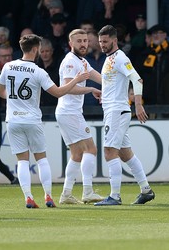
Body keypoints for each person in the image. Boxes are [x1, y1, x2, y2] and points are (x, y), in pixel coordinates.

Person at [0, 34, 89, 209]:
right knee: (41, 159)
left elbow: (1, 91)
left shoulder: (8, 66)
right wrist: (77, 80)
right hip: (32, 119)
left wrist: (14, 100)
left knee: (22, 161)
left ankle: (28, 198)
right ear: (34, 49)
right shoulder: (38, 71)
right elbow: (58, 92)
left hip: (13, 119)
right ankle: (48, 196)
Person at [94, 25, 154, 206]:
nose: (102, 45)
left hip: (117, 111)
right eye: (100, 42)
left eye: (105, 42)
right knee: (125, 154)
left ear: (114, 40)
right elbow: (113, 83)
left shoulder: (120, 57)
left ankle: (115, 196)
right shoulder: (109, 59)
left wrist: (138, 104)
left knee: (109, 151)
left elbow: (137, 79)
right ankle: (146, 190)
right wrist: (103, 94)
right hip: (113, 110)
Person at [55, 29, 104, 205]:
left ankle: (66, 194)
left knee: (76, 154)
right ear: (71, 43)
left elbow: (98, 77)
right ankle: (88, 191)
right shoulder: (70, 61)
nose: (83, 44)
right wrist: (91, 90)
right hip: (69, 112)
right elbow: (68, 87)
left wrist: (113, 85)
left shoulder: (81, 61)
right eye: (79, 41)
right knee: (91, 149)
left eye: (85, 40)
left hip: (68, 112)